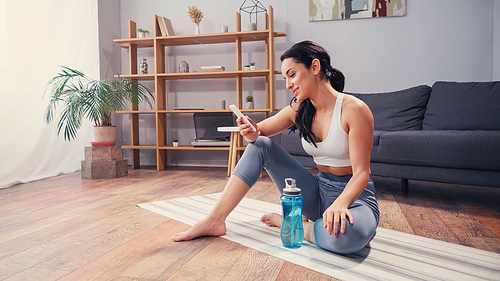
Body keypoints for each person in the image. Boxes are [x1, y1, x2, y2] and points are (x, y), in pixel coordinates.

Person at [172, 40, 379, 254]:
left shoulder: (354, 109)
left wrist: (341, 203)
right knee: (260, 145)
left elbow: (362, 174)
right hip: (318, 194)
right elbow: (259, 133)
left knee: (345, 239)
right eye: (285, 78)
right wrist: (251, 131)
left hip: (355, 199)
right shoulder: (300, 109)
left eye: (292, 74)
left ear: (315, 67)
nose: (288, 84)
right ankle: (215, 220)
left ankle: (289, 224)